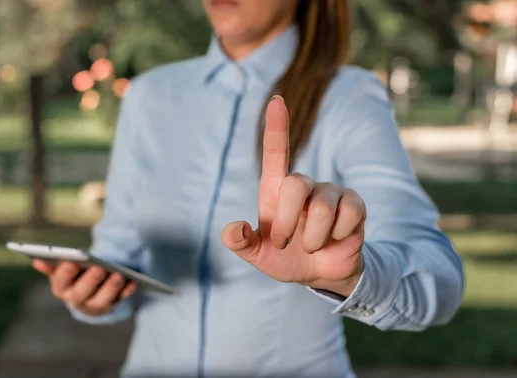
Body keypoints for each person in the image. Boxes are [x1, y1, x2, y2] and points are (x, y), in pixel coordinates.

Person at [34, 0, 464, 377]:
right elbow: (118, 253)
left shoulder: (347, 97)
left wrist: (357, 275)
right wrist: (94, 296)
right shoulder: (150, 95)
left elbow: (439, 278)